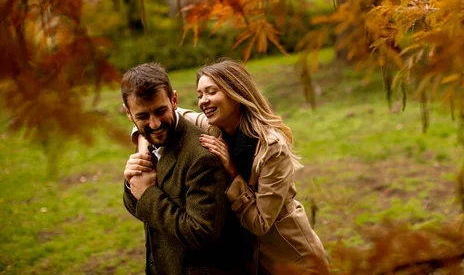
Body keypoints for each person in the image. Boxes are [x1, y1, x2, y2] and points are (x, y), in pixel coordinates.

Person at [129, 59, 329, 274]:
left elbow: (260, 223)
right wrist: (142, 151)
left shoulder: (271, 146)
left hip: (290, 258)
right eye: (200, 95)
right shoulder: (213, 127)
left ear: (235, 93)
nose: (203, 101)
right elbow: (164, 117)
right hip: (251, 260)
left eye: (211, 92)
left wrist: (233, 171)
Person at [121, 63, 252, 275]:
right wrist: (131, 184)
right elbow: (139, 207)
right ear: (129, 114)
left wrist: (147, 194)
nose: (154, 124)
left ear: (174, 100)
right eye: (143, 116)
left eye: (160, 111)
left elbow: (202, 233)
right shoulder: (147, 145)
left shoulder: (201, 157)